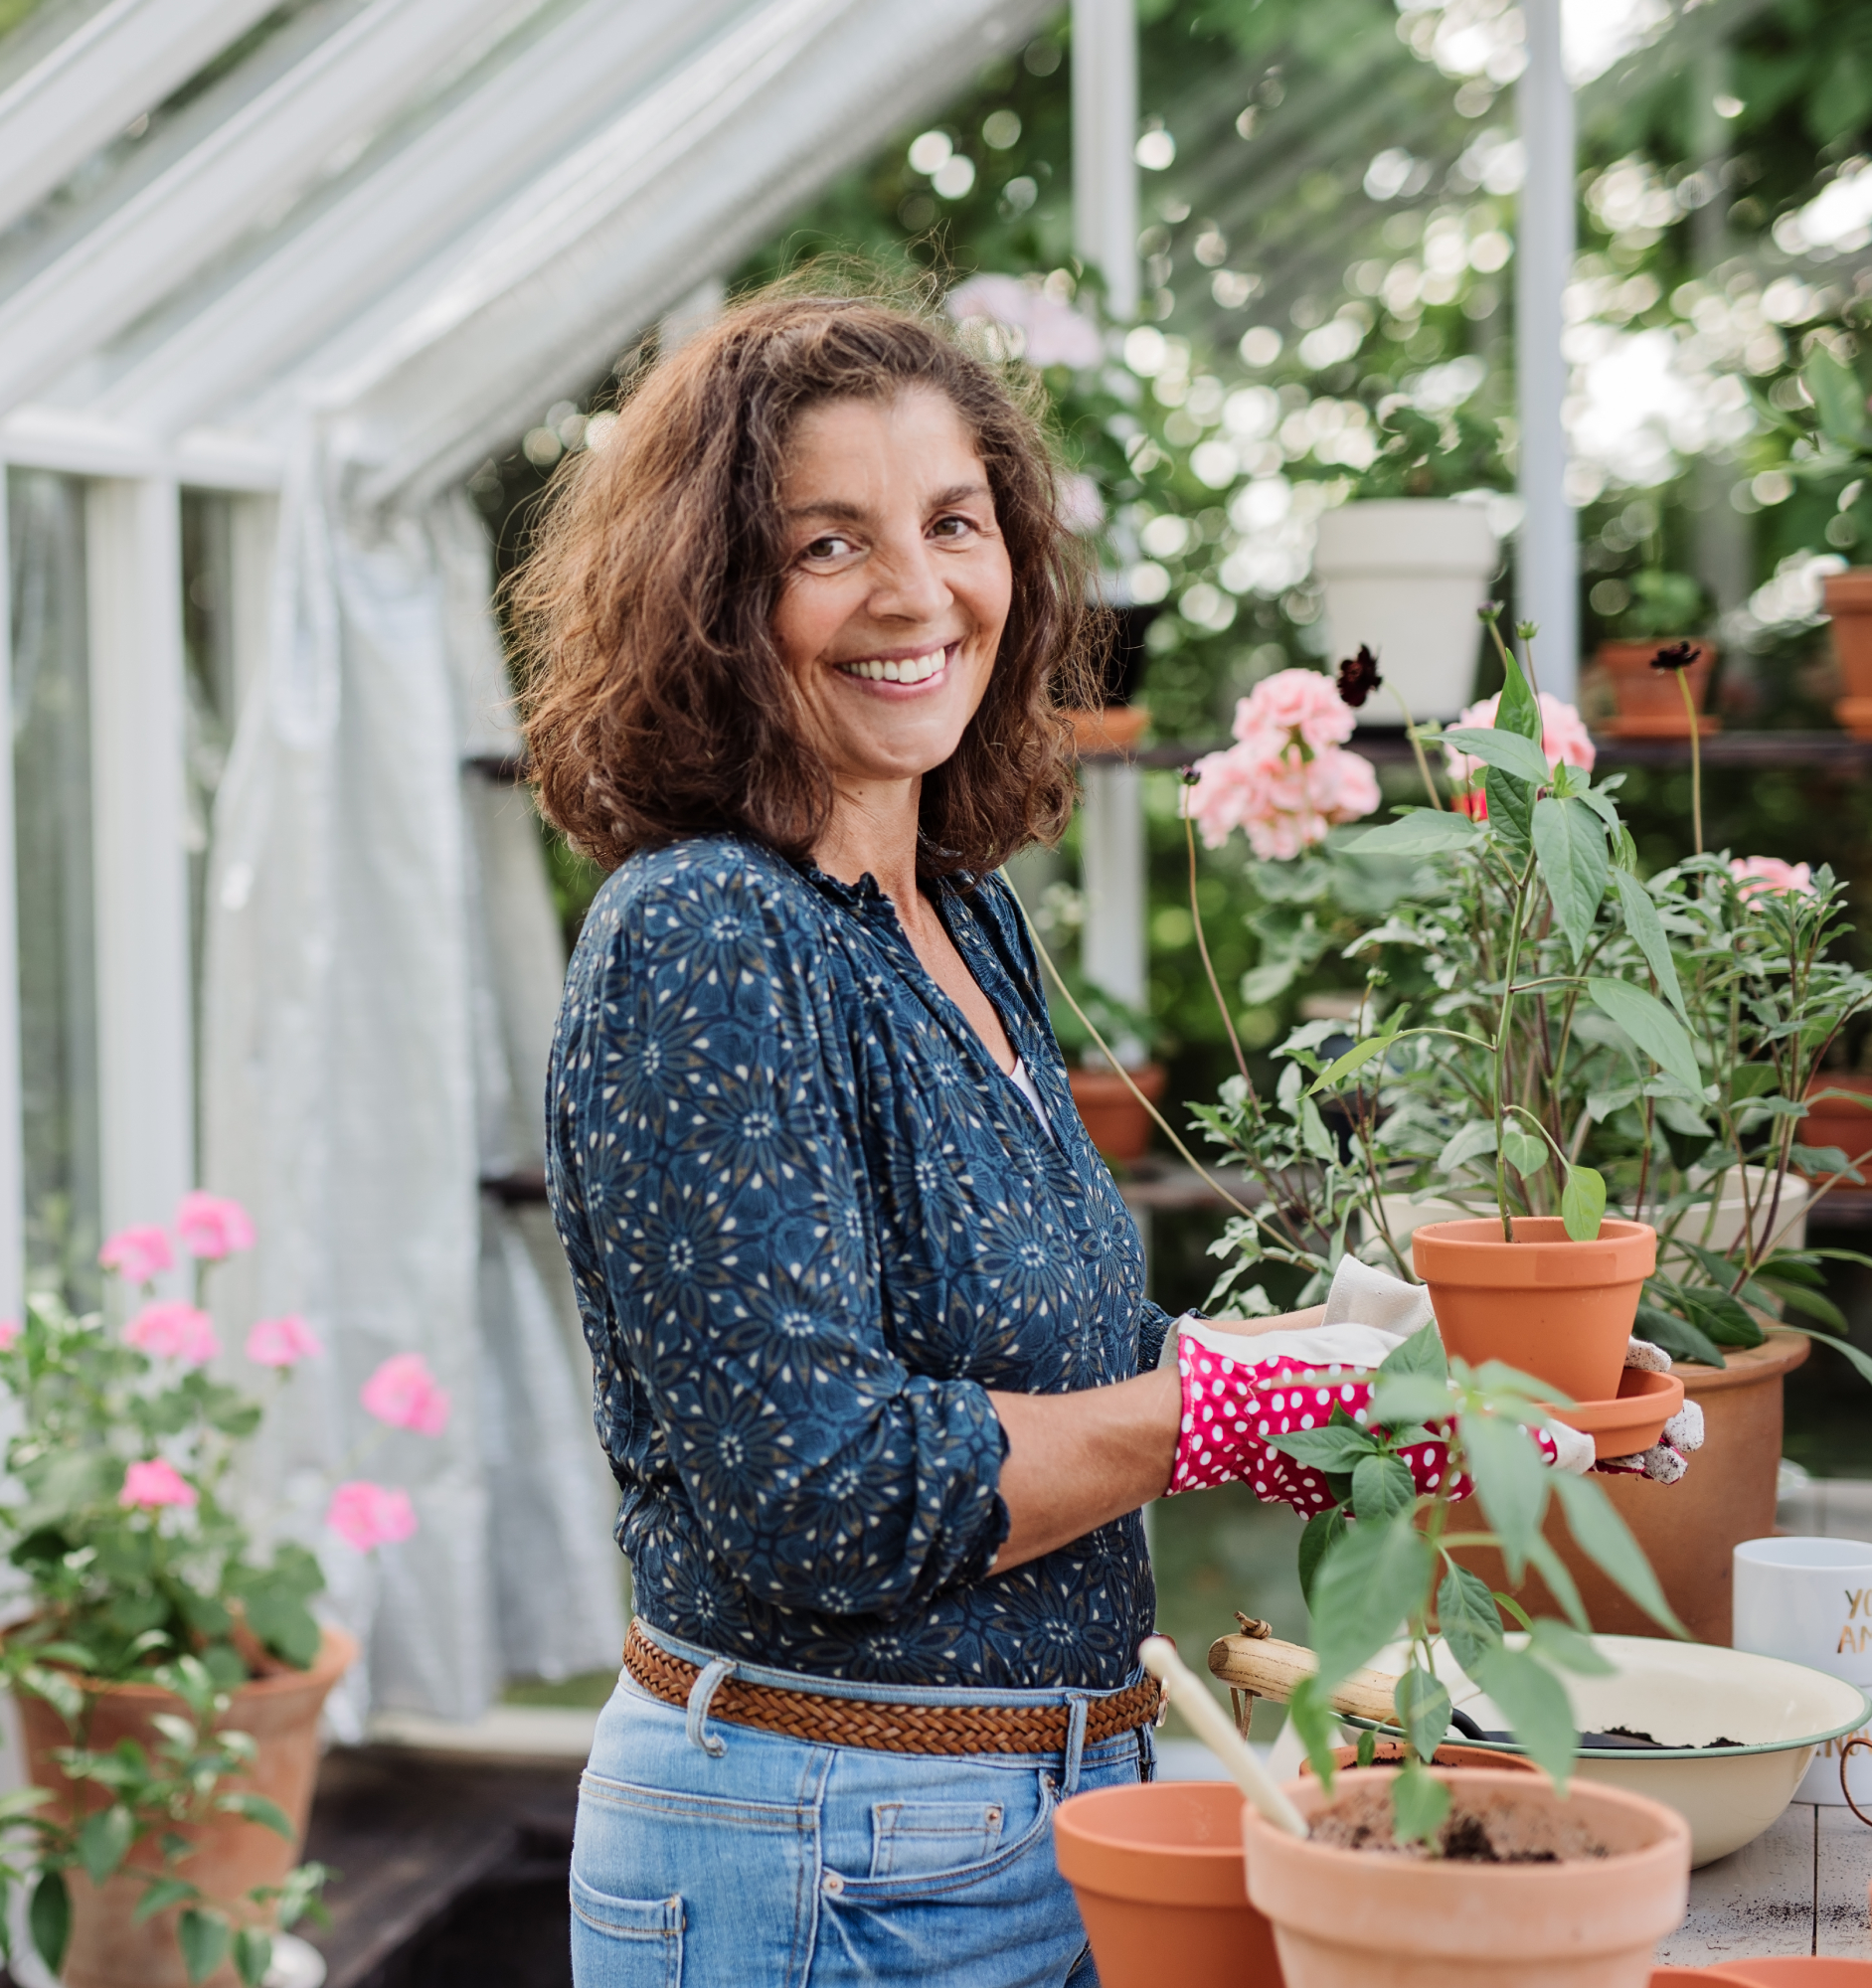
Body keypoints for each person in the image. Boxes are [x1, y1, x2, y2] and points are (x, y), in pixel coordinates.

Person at [515, 287, 1660, 1986]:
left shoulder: (950, 912)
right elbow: (816, 1496)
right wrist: (1223, 1410)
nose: (917, 594)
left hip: (1022, 1825)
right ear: (710, 595)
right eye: (830, 544)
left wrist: (1403, 1373)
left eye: (953, 524)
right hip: (820, 1852)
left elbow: (1058, 1365)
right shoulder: (706, 937)